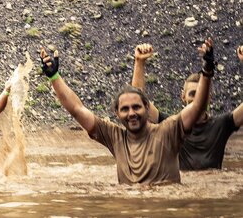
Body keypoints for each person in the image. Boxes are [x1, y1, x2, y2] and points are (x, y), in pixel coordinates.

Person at [40, 39, 214, 185]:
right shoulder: (114, 137)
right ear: (117, 113)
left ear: (147, 107)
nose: (131, 113)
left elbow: (198, 107)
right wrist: (54, 77)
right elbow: (77, 110)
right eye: (125, 109)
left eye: (136, 107)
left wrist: (206, 72)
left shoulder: (168, 131)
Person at [130, 42, 243, 170]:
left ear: (208, 96)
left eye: (201, 94)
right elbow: (137, 101)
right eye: (192, 94)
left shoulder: (221, 124)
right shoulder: (171, 125)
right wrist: (139, 62)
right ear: (183, 97)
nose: (197, 100)